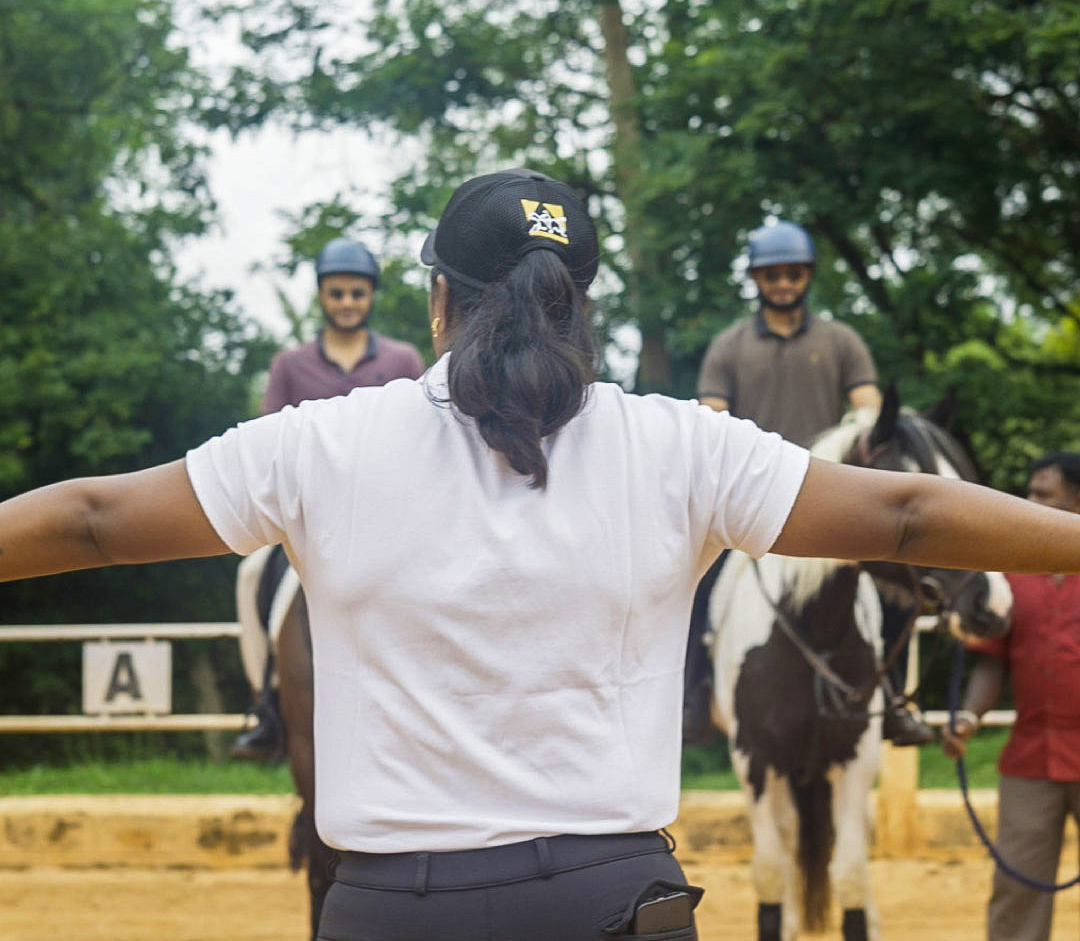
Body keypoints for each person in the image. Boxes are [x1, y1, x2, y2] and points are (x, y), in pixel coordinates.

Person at [3, 167, 1080, 941]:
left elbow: (95, 518)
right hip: (612, 900)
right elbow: (904, 515)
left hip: (391, 911)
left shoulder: (320, 445)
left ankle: (259, 712)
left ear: (435, 302)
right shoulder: (682, 445)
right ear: (584, 310)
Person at [689, 220, 933, 747]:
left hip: (826, 497)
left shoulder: (840, 340)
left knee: (899, 583)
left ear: (808, 276)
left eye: (792, 273)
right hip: (750, 499)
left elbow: (867, 407)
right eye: (772, 274)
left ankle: (892, 700)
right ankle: (694, 697)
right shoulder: (728, 346)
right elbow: (711, 417)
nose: (783, 282)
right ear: (756, 278)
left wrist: (863, 441)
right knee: (697, 584)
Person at [231, 236, 425, 761]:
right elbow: (269, 438)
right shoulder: (290, 365)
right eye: (337, 293)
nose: (346, 302)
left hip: (387, 512)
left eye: (356, 293)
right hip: (310, 517)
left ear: (370, 297)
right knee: (250, 575)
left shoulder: (404, 360)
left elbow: (425, 438)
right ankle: (265, 704)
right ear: (322, 296)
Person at [942, 451, 1080, 941]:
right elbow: (992, 660)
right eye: (1030, 492)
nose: (1030, 503)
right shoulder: (1013, 575)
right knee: (1017, 888)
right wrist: (969, 720)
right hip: (1031, 761)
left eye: (1044, 495)